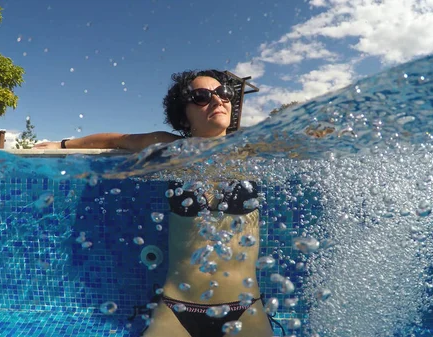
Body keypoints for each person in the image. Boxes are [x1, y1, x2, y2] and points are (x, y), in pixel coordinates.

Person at [34, 69, 274, 337]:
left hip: (245, 308)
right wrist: (62, 144)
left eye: (223, 93)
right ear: (184, 114)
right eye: (202, 97)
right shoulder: (171, 148)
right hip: (179, 309)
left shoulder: (250, 147)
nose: (218, 101)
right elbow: (118, 140)